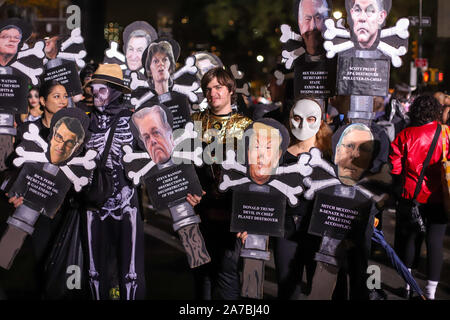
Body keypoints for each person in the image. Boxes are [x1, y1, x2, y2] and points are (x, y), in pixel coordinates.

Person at [83, 63, 145, 300]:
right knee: (94, 268)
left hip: (126, 200)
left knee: (131, 271)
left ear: (115, 91)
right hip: (94, 204)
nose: (96, 96)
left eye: (102, 90)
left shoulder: (132, 121)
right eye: (94, 90)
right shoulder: (87, 122)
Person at [191, 67, 252, 299]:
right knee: (201, 275)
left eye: (218, 87)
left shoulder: (246, 125)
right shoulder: (195, 121)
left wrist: (249, 215)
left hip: (231, 213)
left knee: (226, 275)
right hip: (199, 211)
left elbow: (253, 173)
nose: (212, 93)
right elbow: (184, 164)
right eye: (208, 89)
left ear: (230, 90)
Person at [390, 95, 449, 300]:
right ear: (435, 111)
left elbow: (396, 168)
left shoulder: (405, 135)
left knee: (410, 239)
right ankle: (430, 292)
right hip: (440, 196)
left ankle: (407, 287)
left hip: (410, 196)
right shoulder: (445, 134)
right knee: (435, 241)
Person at [273, 98, 332, 299]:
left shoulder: (331, 154)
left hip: (320, 232)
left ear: (320, 121)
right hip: (286, 229)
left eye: (310, 118)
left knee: (321, 291)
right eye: (297, 118)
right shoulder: (278, 152)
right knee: (287, 289)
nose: (302, 124)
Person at [142, 40, 191, 129]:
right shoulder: (145, 105)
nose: (161, 64)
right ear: (149, 69)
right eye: (156, 61)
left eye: (165, 59)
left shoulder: (182, 99)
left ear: (171, 66)